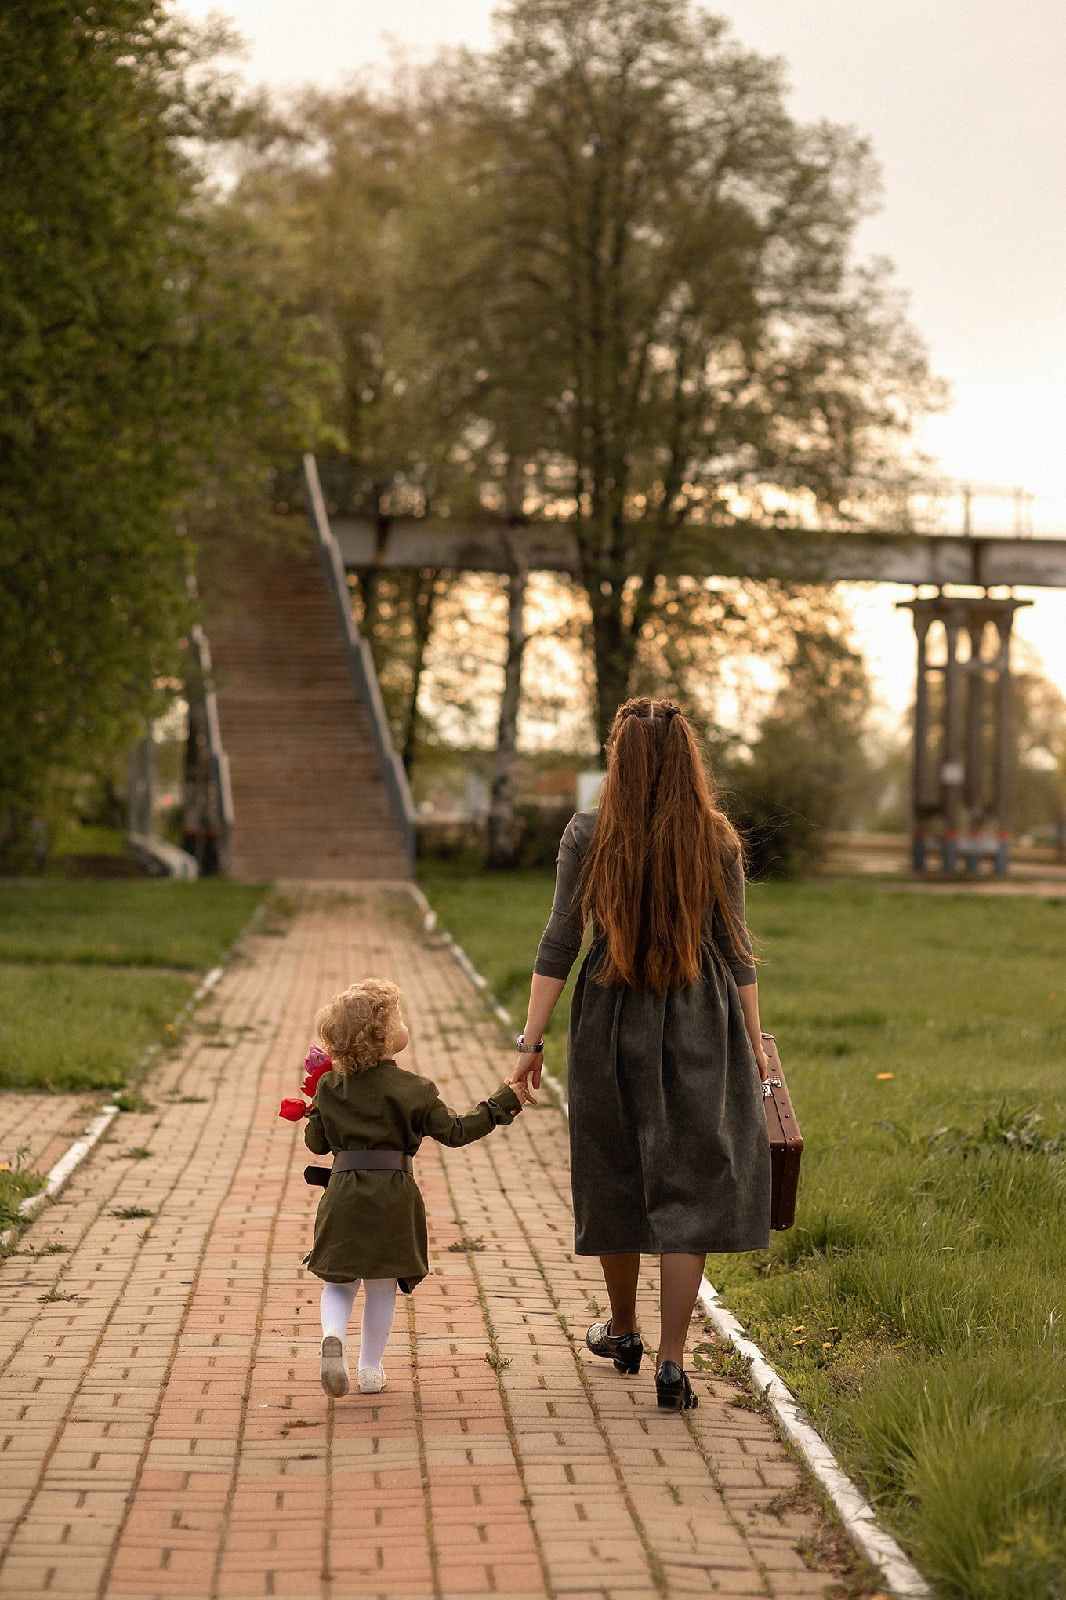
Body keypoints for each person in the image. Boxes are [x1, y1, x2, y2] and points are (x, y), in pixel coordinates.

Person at [511, 697, 770, 1412]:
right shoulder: (715, 839)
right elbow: (739, 953)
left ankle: (621, 1330)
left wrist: (529, 1044)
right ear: (689, 760)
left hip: (610, 1015)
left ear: (618, 759)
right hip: (701, 1018)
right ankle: (671, 1359)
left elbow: (559, 942)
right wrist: (757, 1045)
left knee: (614, 1170)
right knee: (689, 1182)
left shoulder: (589, 831)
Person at [289, 978, 525, 1399]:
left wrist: (315, 1111)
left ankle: (333, 1335)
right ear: (383, 1037)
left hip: (343, 1194)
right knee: (381, 1283)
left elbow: (318, 1145)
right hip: (395, 1197)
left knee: (339, 1282)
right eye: (397, 1017)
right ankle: (370, 1369)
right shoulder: (417, 1090)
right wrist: (503, 1102)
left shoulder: (330, 1087)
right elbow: (455, 1132)